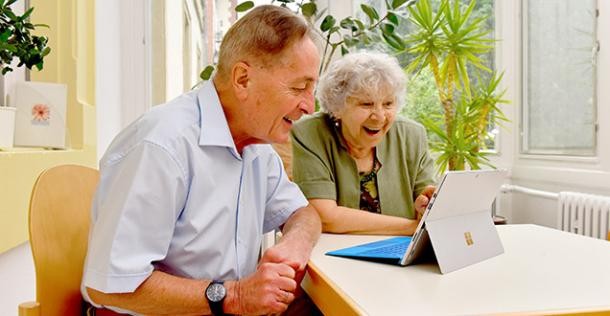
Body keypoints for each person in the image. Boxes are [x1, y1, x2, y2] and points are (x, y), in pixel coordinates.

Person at [81, 5, 322, 315]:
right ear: (243, 79)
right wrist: (236, 296)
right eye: (299, 87)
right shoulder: (163, 144)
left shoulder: (256, 146)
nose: (309, 106)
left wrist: (295, 243)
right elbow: (111, 286)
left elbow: (303, 212)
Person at [291, 51, 436, 236]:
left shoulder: (412, 135)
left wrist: (425, 203)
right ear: (337, 107)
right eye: (366, 104)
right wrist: (412, 227)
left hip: (401, 256)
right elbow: (325, 216)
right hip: (332, 257)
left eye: (388, 103)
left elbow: (427, 201)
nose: (379, 116)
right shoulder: (309, 134)